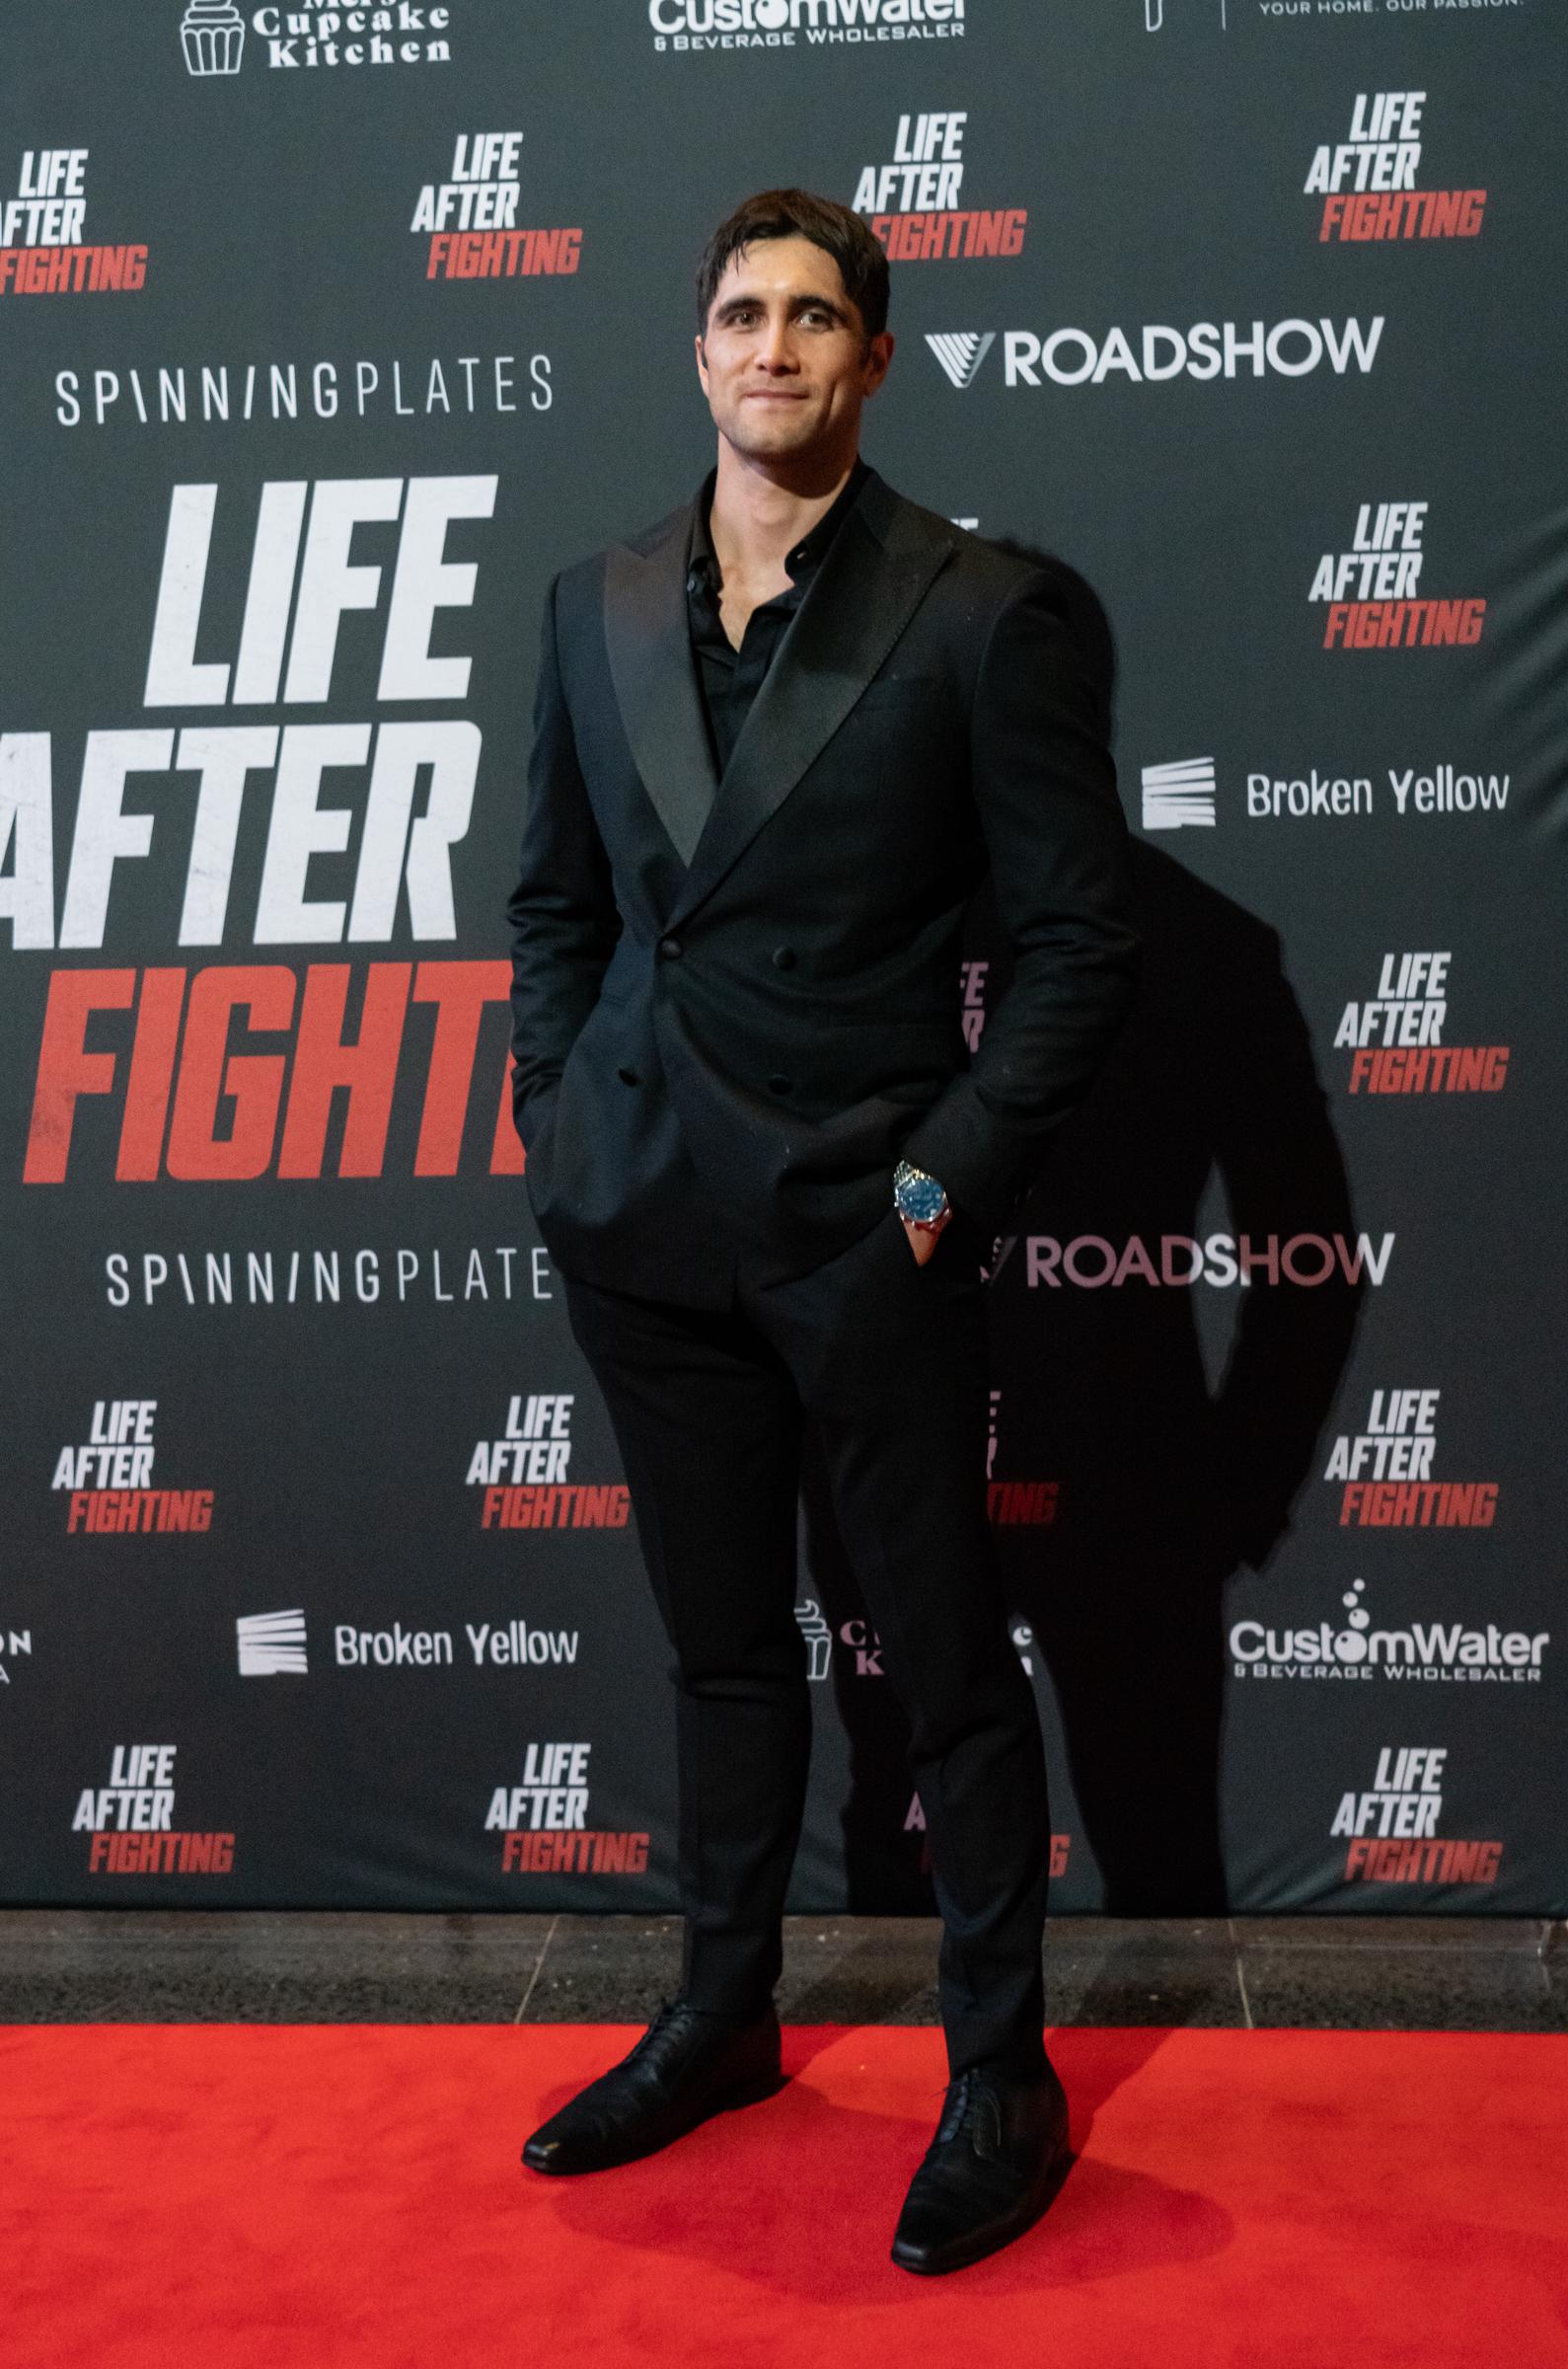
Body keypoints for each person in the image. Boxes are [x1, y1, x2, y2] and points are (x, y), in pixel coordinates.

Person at [507, 188, 1137, 2275]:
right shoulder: (592, 609)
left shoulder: (981, 612)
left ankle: (998, 2072)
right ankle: (717, 2012)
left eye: (812, 318)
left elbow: (1071, 949)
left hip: (864, 1233)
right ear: (693, 352)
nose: (769, 347)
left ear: (870, 359)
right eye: (738, 315)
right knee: (714, 1650)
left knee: (942, 1664)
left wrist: (937, 1188)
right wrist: (555, 1111)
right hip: (638, 1223)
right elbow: (554, 903)